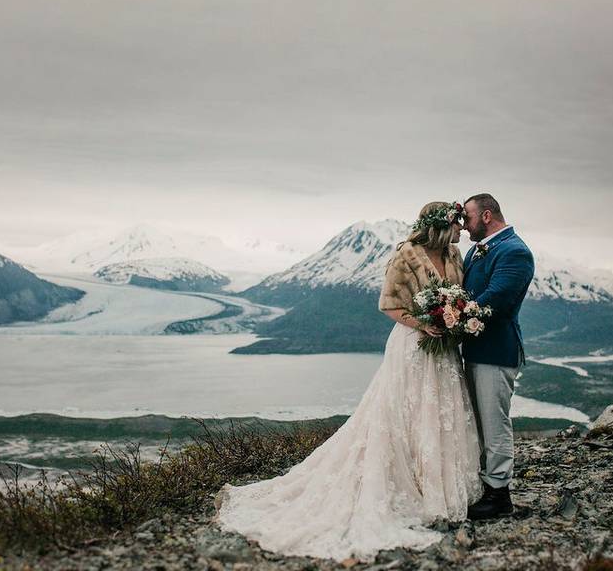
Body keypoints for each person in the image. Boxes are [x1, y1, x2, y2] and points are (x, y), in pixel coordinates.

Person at [214, 201, 483, 562]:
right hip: (413, 347)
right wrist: (424, 323)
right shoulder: (407, 254)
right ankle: (410, 487)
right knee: (405, 414)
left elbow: (458, 296)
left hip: (444, 351)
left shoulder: (454, 255)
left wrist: (454, 319)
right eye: (456, 224)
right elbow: (388, 306)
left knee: (440, 412)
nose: (461, 230)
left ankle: (439, 487)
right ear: (439, 226)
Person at [459, 193, 535, 520]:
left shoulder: (515, 251)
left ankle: (499, 495)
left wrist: (452, 314)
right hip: (476, 350)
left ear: (487, 216)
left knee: (494, 423)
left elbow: (497, 299)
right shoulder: (475, 252)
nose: (464, 226)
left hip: (496, 351)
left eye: (468, 218)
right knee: (478, 422)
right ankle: (484, 485)